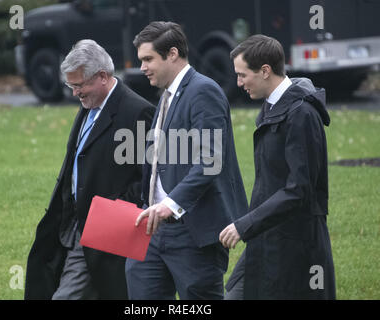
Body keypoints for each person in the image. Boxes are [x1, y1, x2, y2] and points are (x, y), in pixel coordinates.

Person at [125, 21, 248, 300]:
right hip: (152, 232)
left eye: (148, 59)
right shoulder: (166, 95)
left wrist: (170, 205)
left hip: (192, 233)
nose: (142, 67)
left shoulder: (204, 91)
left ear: (172, 54)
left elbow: (210, 159)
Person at [24, 39, 155, 299]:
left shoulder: (138, 112)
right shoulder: (90, 104)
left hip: (103, 231)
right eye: (70, 85)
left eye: (79, 85)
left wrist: (109, 211)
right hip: (70, 222)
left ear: (103, 77)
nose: (74, 93)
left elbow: (148, 179)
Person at [220, 34, 336, 299]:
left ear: (265, 71)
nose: (238, 83)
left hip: (296, 245)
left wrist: (245, 225)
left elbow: (299, 190)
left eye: (242, 75)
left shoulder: (301, 115)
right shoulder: (271, 107)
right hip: (266, 238)